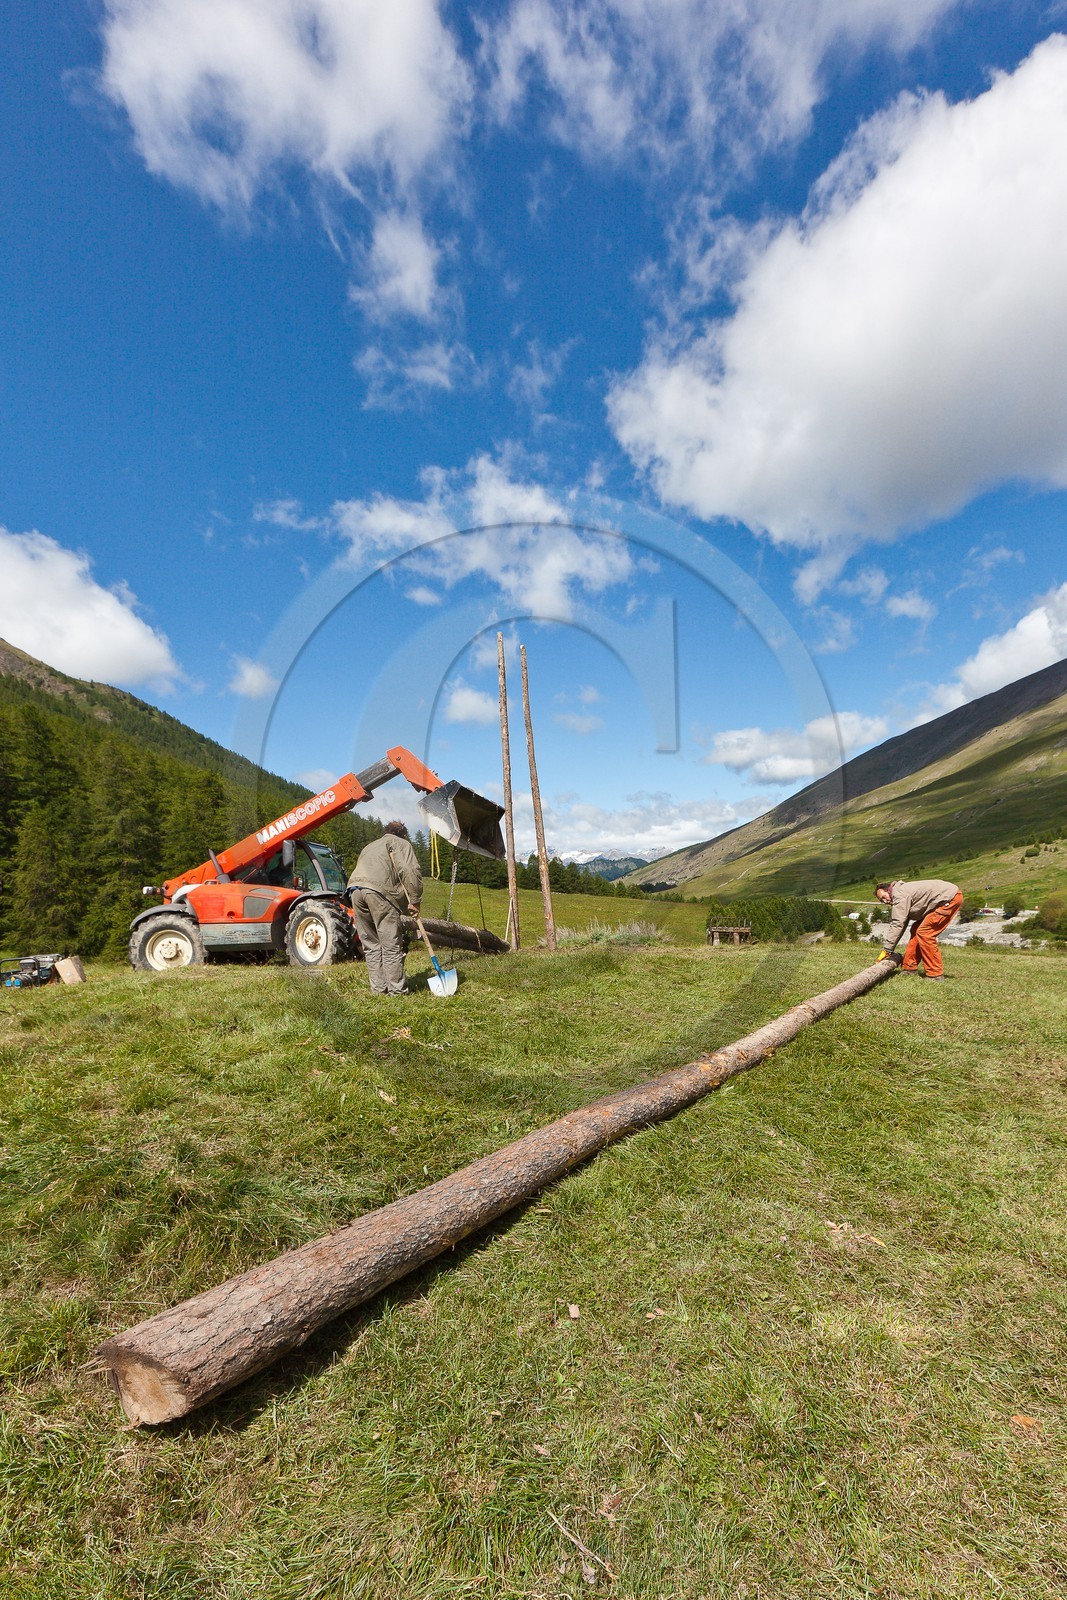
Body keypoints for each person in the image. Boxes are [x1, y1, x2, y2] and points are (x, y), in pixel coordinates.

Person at [347, 822, 423, 995]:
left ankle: (379, 990)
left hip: (355, 891)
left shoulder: (370, 846)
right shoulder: (401, 844)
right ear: (403, 834)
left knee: (371, 944)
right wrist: (415, 899)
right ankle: (397, 991)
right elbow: (410, 870)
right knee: (390, 944)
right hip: (380, 892)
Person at [873, 878, 963, 980]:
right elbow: (903, 920)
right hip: (944, 899)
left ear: (888, 890)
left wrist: (887, 949)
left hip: (949, 899)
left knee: (925, 933)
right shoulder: (900, 892)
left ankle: (935, 974)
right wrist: (889, 949)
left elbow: (898, 923)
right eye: (882, 901)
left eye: (884, 897)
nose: (885, 901)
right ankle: (909, 968)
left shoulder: (899, 895)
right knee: (916, 929)